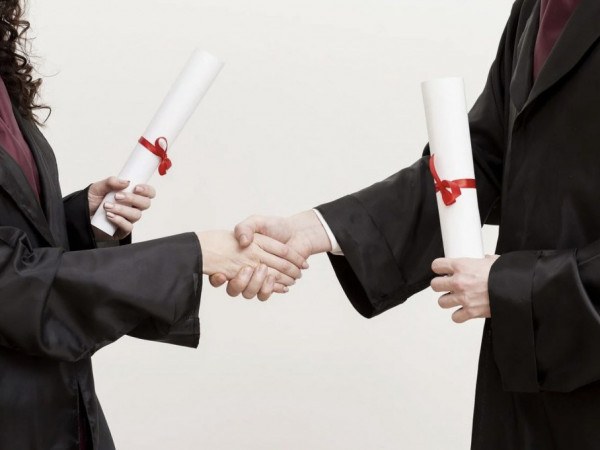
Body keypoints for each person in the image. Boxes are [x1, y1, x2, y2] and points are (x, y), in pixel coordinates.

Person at [213, 0, 600, 448]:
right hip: (524, 376)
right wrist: (317, 229)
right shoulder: (535, 6)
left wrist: (513, 286)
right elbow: (481, 160)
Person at [0, 2, 307, 449]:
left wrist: (85, 220)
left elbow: (20, 234)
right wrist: (195, 253)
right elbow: (11, 283)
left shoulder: (5, 85)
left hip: (64, 409)